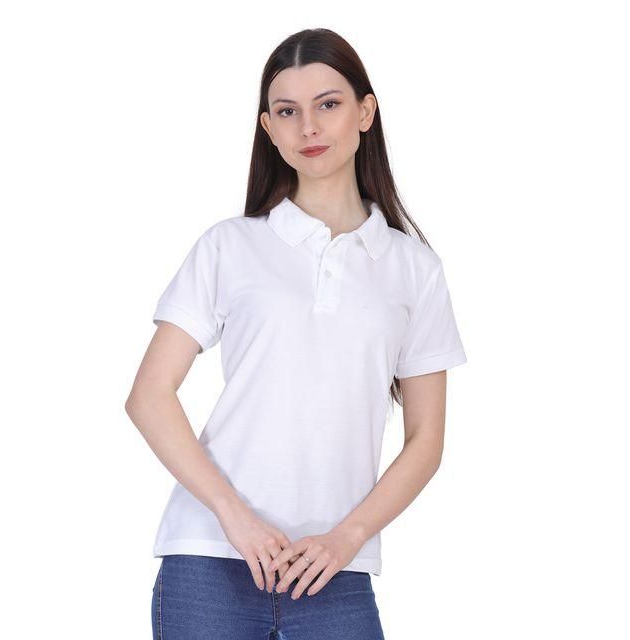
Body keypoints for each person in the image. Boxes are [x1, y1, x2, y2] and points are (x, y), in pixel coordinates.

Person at [126, 27, 467, 640]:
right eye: (287, 111)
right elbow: (149, 395)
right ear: (269, 128)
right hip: (210, 558)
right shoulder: (230, 246)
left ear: (365, 112)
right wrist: (233, 517)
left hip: (336, 569)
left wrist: (348, 537)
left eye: (328, 104)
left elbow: (426, 440)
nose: (308, 126)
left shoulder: (414, 269)